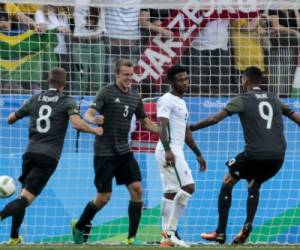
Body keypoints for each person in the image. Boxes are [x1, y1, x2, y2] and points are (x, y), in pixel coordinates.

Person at [189, 66, 300, 245]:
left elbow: (214, 119)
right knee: (254, 183)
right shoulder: (274, 98)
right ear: (260, 81)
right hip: (278, 156)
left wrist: (191, 128)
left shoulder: (242, 99)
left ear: (245, 80)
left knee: (228, 181)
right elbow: (296, 118)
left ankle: (220, 232)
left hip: (255, 154)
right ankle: (247, 224)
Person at [0, 67, 103, 246]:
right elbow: (77, 124)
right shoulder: (67, 101)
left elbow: (10, 119)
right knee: (24, 199)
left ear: (49, 81)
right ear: (64, 84)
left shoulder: (35, 98)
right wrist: (95, 130)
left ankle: (14, 237)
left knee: (22, 197)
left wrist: (19, 115)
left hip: (30, 153)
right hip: (48, 157)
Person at [71, 59, 158, 245]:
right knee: (103, 198)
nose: (129, 78)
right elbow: (88, 114)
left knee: (137, 189)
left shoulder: (135, 96)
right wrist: (94, 121)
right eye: (125, 74)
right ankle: (80, 225)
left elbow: (146, 123)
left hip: (124, 152)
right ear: (117, 74)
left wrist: (165, 131)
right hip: (104, 152)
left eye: (131, 74)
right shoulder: (106, 91)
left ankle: (132, 238)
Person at [155, 65, 207, 247]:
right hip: (169, 150)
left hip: (176, 149)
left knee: (170, 193)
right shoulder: (166, 100)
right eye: (180, 80)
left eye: (186, 79)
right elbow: (161, 125)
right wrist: (168, 149)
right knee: (189, 187)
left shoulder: (181, 102)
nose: (185, 82)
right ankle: (170, 233)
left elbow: (185, 132)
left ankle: (165, 239)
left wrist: (198, 154)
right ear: (171, 82)